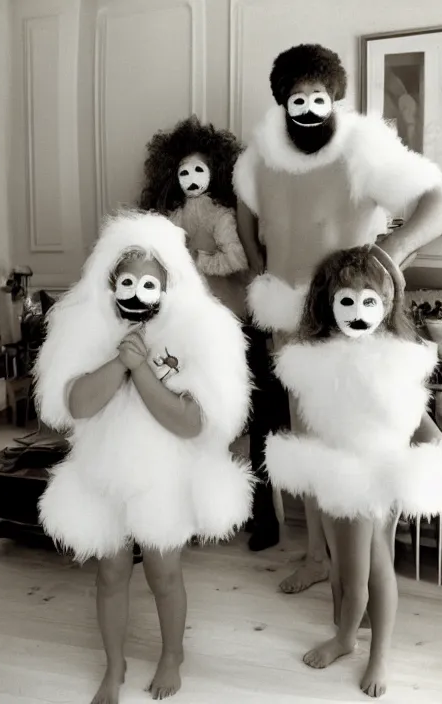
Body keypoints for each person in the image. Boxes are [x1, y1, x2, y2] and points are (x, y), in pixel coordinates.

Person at [233, 42, 442, 593]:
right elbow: (247, 217)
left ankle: (367, 572)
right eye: (295, 97)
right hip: (290, 320)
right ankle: (318, 556)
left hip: (352, 319)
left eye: (317, 96)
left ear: (334, 97)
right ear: (282, 101)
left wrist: (389, 254)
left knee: (374, 436)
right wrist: (263, 278)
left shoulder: (363, 147)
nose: (307, 107)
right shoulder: (259, 156)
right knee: (306, 442)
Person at [34, 211, 253, 703]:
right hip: (103, 472)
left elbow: (192, 422)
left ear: (169, 286)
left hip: (163, 474)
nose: (136, 291)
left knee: (163, 571)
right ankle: (114, 666)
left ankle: (172, 653)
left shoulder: (195, 334)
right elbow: (75, 405)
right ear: (110, 284)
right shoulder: (87, 330)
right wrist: (118, 362)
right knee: (110, 572)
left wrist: (143, 373)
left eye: (149, 282)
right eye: (127, 281)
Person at [266, 245, 442, 697]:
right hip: (341, 473)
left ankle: (357, 645)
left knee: (364, 572)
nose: (356, 312)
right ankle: (353, 639)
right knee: (360, 565)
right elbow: (324, 416)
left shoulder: (391, 363)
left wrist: (415, 463)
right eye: (346, 301)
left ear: (386, 305)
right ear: (328, 305)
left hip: (371, 477)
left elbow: (420, 425)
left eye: (368, 301)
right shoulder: (325, 359)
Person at [140, 116, 285, 551]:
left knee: (258, 422)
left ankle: (265, 517)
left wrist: (194, 261)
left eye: (199, 170)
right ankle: (207, 512)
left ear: (215, 172)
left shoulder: (224, 216)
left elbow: (237, 258)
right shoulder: (169, 220)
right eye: (184, 171)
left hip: (238, 326)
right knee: (200, 419)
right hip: (193, 333)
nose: (191, 178)